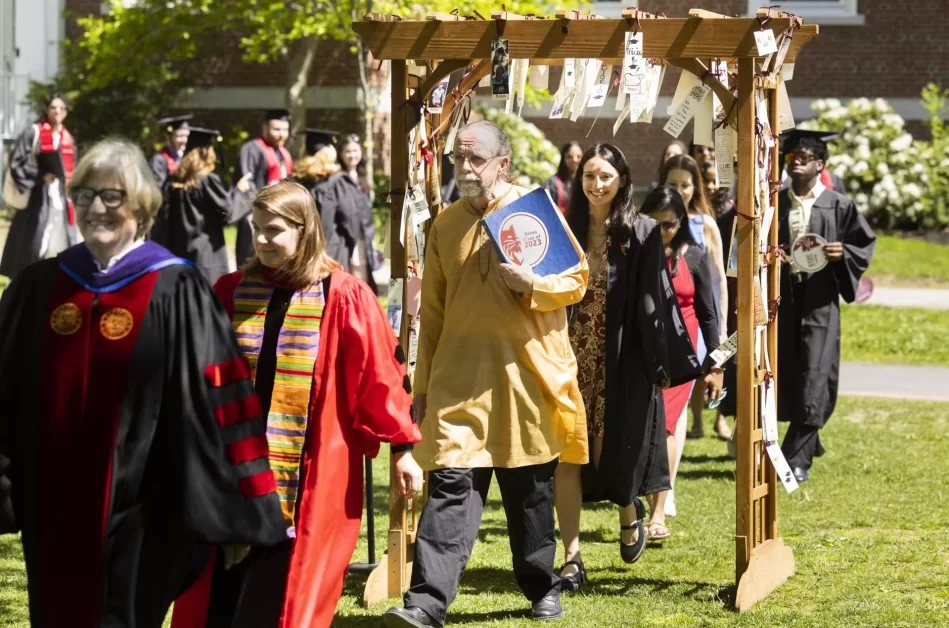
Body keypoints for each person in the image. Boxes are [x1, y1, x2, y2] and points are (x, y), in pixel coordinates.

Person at [0, 137, 286, 626]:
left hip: (147, 508)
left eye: (112, 196)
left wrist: (244, 500)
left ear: (141, 205)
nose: (96, 209)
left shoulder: (175, 288)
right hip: (55, 507)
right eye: (85, 195)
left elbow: (224, 396)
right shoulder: (42, 285)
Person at [173, 179, 423, 627]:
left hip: (304, 476)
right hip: (230, 474)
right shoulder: (231, 290)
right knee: (217, 598)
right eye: (256, 229)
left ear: (303, 230)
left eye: (274, 230)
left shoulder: (341, 295)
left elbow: (378, 378)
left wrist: (402, 448)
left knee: (275, 599)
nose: (263, 240)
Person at [383, 120, 589, 628]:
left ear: (503, 163)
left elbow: (578, 280)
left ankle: (542, 586)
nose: (466, 168)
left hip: (527, 379)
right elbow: (430, 315)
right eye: (458, 159)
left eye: (476, 159)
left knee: (530, 494)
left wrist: (532, 283)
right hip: (459, 384)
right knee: (450, 488)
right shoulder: (445, 225)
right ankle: (426, 603)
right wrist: (423, 384)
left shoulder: (534, 212)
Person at [554, 143, 677, 590]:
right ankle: (571, 557)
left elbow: (652, 299)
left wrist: (659, 358)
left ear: (622, 180)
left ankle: (628, 509)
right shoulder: (563, 228)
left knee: (609, 448)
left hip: (619, 356)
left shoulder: (640, 232)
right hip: (566, 355)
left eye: (606, 175)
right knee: (567, 452)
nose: (597, 184)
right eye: (589, 175)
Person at [777, 130, 875, 482]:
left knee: (816, 375)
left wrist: (841, 254)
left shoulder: (838, 204)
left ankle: (795, 459)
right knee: (788, 372)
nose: (797, 161)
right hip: (784, 299)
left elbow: (862, 245)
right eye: (792, 157)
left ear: (821, 164)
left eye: (805, 156)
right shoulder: (776, 203)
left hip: (820, 300)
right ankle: (808, 439)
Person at [640, 185, 723, 540]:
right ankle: (637, 505)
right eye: (653, 224)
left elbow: (710, 315)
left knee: (669, 427)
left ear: (682, 222)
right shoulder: (637, 255)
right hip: (641, 352)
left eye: (669, 225)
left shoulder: (696, 257)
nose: (661, 232)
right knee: (641, 430)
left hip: (682, 357)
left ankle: (658, 513)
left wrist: (716, 365)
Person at [659, 154, 730, 443]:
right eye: (673, 183)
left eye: (685, 184)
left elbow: (718, 280)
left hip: (695, 321)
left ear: (695, 187)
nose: (679, 190)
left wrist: (721, 331)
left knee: (686, 387)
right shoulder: (654, 219)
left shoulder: (706, 225)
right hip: (660, 321)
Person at [152, 127, 252, 283]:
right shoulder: (207, 180)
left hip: (178, 255)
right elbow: (228, 213)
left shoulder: (173, 181)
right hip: (207, 260)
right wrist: (239, 192)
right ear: (206, 152)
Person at [0, 93, 78, 279]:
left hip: (61, 199)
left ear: (66, 112)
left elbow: (73, 169)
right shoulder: (33, 132)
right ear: (46, 110)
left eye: (61, 108)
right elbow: (17, 162)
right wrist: (41, 175)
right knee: (34, 243)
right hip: (38, 198)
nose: (57, 111)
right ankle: (26, 283)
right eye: (53, 107)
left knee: (59, 244)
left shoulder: (68, 138)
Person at [233, 109, 293, 266]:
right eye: (276, 129)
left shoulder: (283, 153)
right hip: (254, 215)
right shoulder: (252, 149)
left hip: (279, 214)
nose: (281, 134)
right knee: (253, 258)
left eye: (285, 130)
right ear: (265, 127)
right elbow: (245, 185)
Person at [326, 133, 378, 291]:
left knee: (363, 270)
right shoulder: (336, 179)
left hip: (363, 236)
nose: (352, 155)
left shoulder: (363, 177)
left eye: (355, 151)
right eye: (348, 151)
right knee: (352, 271)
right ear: (341, 154)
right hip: (346, 238)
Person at [292, 128, 348, 269]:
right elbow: (350, 220)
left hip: (300, 249)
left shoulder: (294, 180)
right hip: (330, 251)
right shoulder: (337, 181)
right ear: (329, 152)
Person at [150, 114, 192, 188]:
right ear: (169, 137)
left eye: (186, 136)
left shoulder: (185, 158)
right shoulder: (158, 160)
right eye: (180, 136)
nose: (184, 140)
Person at [544, 141, 583, 215]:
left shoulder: (586, 181)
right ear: (563, 159)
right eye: (569, 157)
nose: (574, 160)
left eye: (578, 156)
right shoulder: (552, 183)